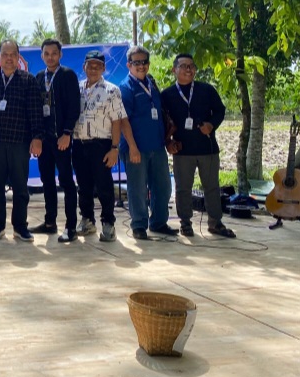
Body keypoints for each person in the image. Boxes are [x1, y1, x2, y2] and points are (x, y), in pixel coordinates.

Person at [161, 54, 236, 238]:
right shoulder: (167, 95)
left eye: (192, 66)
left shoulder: (206, 90)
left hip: (207, 148)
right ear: (174, 70)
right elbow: (163, 121)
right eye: (184, 66)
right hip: (182, 150)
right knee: (183, 189)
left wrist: (211, 124)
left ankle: (215, 223)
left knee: (211, 187)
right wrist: (168, 142)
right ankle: (185, 223)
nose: (188, 69)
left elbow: (220, 111)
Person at [0, 39, 43, 241]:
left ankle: (20, 226)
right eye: (5, 55)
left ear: (18, 57)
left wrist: (37, 138)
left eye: (13, 55)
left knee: (20, 188)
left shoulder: (28, 80)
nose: (9, 58)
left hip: (19, 142)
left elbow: (35, 111)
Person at [118, 46, 178, 240]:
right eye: (136, 62)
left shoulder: (151, 84)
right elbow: (123, 121)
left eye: (144, 62)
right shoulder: (126, 87)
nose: (141, 66)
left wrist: (167, 140)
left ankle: (159, 222)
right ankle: (139, 225)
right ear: (129, 65)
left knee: (163, 187)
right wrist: (132, 147)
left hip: (157, 146)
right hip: (136, 148)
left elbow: (160, 114)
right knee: (137, 189)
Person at [29, 38, 81, 243]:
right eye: (46, 54)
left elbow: (74, 107)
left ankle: (70, 227)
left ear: (60, 55)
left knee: (67, 182)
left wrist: (67, 133)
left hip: (62, 139)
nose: (50, 57)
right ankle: (50, 222)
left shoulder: (68, 75)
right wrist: (37, 137)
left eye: (54, 53)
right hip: (45, 140)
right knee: (47, 181)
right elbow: (35, 109)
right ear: (42, 56)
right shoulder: (38, 77)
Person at [73, 51, 127, 242]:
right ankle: (87, 220)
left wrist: (114, 148)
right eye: (90, 65)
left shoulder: (112, 90)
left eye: (98, 66)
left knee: (104, 186)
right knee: (83, 186)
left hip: (101, 144)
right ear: (84, 67)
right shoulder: (77, 88)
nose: (93, 69)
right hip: (79, 143)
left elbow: (117, 121)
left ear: (103, 68)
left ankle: (108, 223)